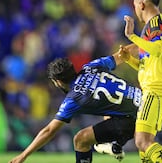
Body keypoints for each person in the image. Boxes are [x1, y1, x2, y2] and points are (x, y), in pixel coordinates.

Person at [8, 55, 142, 163]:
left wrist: (24, 155)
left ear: (58, 82)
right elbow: (123, 54)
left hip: (134, 118)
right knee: (108, 113)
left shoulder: (73, 98)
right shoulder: (91, 67)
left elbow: (49, 130)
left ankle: (114, 143)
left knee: (81, 139)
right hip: (145, 101)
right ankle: (115, 144)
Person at [117, 0, 162, 163]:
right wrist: (129, 59)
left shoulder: (155, 24)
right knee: (146, 145)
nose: (135, 10)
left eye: (135, 5)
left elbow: (157, 50)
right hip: (160, 88)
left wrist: (131, 36)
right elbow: (149, 64)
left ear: (142, 4)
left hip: (156, 90)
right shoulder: (156, 26)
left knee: (142, 141)